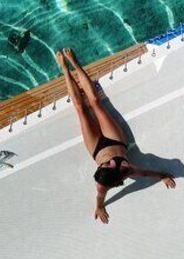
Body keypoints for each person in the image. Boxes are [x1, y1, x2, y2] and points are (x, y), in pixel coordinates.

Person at [58, 48, 175, 224]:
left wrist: (99, 207)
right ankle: (73, 64)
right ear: (117, 171)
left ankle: (66, 68)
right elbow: (145, 174)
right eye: (108, 165)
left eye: (104, 165)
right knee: (95, 103)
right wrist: (162, 175)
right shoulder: (127, 170)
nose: (108, 162)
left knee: (82, 109)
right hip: (116, 141)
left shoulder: (102, 182)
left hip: (96, 147)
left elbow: (99, 197)